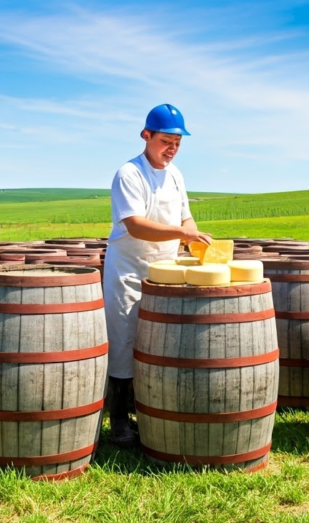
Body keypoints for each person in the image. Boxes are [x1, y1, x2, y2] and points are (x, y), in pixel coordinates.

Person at [102, 104, 212, 446]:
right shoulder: (129, 174)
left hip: (165, 273)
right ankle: (119, 421)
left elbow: (185, 219)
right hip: (129, 272)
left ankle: (148, 411)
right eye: (166, 140)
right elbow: (135, 225)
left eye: (177, 142)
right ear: (145, 135)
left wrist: (196, 242)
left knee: (158, 343)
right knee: (124, 342)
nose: (172, 148)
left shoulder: (176, 174)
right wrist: (182, 236)